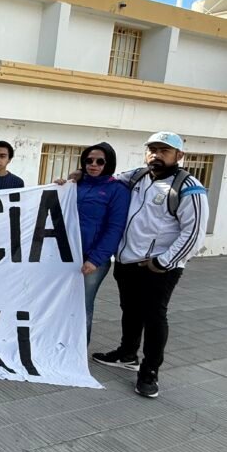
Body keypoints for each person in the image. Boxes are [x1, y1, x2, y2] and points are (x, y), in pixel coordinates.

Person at [92, 132, 208, 399]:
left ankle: (149, 371)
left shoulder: (189, 188)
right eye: (152, 149)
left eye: (164, 150)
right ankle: (127, 353)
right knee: (130, 310)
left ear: (179, 156)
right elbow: (109, 178)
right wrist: (77, 175)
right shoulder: (138, 176)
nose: (157, 154)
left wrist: (162, 261)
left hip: (158, 267)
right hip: (127, 260)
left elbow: (194, 233)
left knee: (155, 317)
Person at [74, 143, 130, 344]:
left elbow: (115, 228)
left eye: (99, 161)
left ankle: (79, 351)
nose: (93, 165)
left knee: (83, 305)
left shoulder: (117, 190)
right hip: (66, 255)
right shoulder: (76, 184)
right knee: (60, 303)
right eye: (89, 160)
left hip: (92, 260)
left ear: (109, 163)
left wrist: (96, 259)